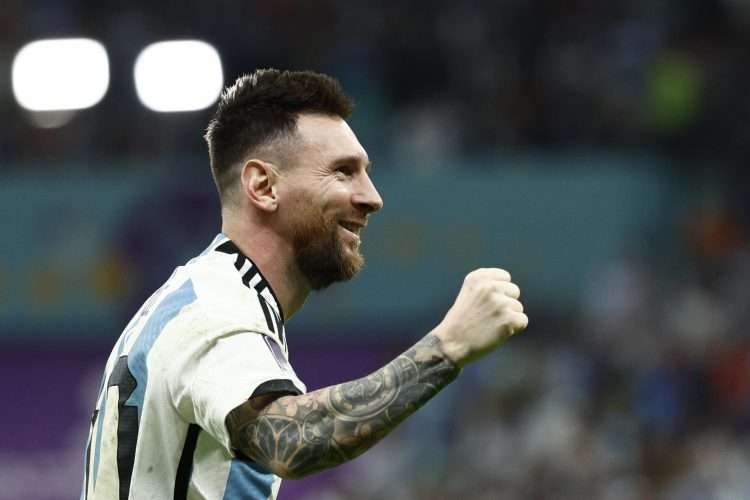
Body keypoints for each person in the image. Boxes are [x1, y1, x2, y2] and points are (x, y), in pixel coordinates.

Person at [81, 68, 528, 500]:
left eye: (366, 172)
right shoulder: (215, 310)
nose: (372, 197)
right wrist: (448, 346)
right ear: (263, 186)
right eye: (342, 171)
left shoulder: (205, 295)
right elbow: (292, 440)